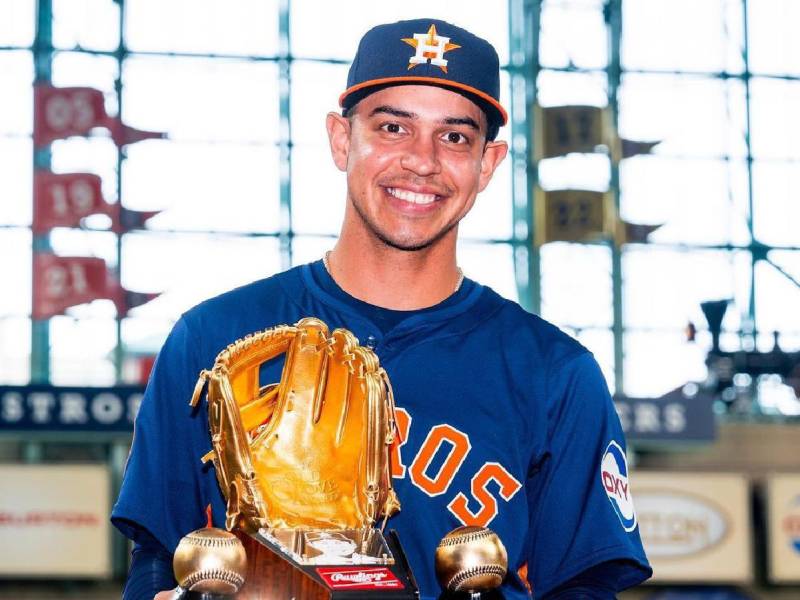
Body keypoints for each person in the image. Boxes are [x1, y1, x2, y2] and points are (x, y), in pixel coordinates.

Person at [112, 18, 652, 599]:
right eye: (393, 127)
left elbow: (583, 584)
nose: (421, 161)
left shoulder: (554, 374)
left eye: (455, 137)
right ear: (342, 140)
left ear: (487, 164)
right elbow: (159, 555)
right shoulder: (212, 337)